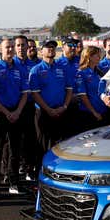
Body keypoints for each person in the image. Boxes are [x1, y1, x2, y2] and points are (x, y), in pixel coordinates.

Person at [0, 38, 30, 197]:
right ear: (1, 49)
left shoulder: (21, 69)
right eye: (7, 47)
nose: (10, 50)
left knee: (15, 150)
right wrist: (6, 112)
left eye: (12, 47)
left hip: (16, 112)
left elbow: (25, 93)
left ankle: (14, 182)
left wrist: (17, 111)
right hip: (0, 113)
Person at [29, 40, 71, 169]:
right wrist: (48, 109)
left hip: (60, 112)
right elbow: (35, 94)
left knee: (59, 145)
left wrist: (64, 107)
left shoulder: (61, 69)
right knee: (42, 146)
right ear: (41, 51)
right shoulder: (36, 70)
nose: (51, 49)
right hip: (43, 113)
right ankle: (40, 173)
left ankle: (57, 171)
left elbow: (69, 89)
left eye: (53, 47)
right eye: (47, 47)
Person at [13, 35, 40, 180]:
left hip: (30, 106)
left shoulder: (33, 66)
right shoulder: (10, 64)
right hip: (14, 106)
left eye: (24, 45)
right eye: (19, 45)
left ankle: (29, 167)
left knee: (30, 139)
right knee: (13, 141)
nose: (22, 48)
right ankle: (12, 170)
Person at [75, 46, 110, 130]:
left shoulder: (99, 72)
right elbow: (83, 96)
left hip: (103, 112)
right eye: (97, 55)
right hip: (89, 114)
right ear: (89, 56)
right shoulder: (81, 73)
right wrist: (94, 112)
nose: (99, 57)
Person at [56, 36, 81, 138]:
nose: (73, 47)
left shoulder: (81, 61)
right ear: (63, 46)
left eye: (75, 45)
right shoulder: (57, 63)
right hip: (65, 104)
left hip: (80, 103)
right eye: (70, 45)